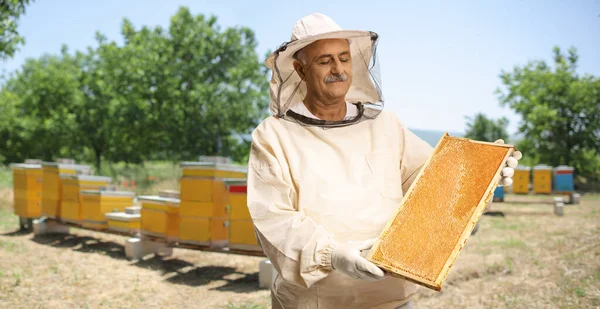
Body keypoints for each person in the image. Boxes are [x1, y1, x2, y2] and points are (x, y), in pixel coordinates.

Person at [246, 13, 521, 309]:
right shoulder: (273, 135)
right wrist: (332, 254)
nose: (338, 69)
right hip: (315, 303)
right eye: (325, 61)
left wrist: (482, 177)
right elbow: (273, 217)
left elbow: (434, 187)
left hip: (393, 300)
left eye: (344, 58)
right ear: (300, 69)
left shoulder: (388, 127)